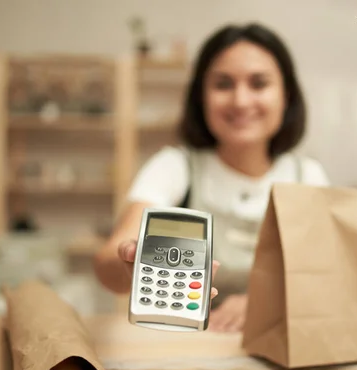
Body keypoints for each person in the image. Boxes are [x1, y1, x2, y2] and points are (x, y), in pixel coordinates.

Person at [93, 22, 330, 332]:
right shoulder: (174, 166)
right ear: (200, 97)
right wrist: (127, 264)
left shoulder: (308, 176)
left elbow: (326, 277)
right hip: (187, 351)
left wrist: (265, 301)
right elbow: (109, 260)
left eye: (259, 84)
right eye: (223, 84)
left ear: (286, 96)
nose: (241, 101)